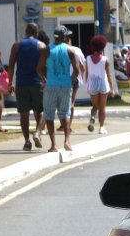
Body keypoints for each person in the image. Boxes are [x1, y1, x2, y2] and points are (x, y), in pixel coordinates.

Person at [37, 26, 81, 152]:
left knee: (49, 115)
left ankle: (54, 145)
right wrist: (71, 81)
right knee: (65, 114)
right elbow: (76, 70)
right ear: (64, 37)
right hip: (65, 86)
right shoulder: (71, 50)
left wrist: (45, 80)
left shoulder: (46, 50)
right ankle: (67, 141)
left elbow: (39, 69)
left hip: (51, 86)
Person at [7, 23, 46, 151]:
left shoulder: (16, 45)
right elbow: (44, 67)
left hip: (21, 83)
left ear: (25, 32)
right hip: (37, 83)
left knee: (23, 114)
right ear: (37, 33)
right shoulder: (41, 46)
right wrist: (45, 81)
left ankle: (27, 142)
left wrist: (10, 83)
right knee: (40, 111)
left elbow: (11, 65)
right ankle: (37, 132)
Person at [84, 35, 118, 135]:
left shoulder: (88, 59)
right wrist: (112, 89)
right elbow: (109, 75)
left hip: (92, 84)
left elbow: (87, 73)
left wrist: (88, 84)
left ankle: (93, 117)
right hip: (103, 84)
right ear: (103, 47)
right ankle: (101, 127)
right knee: (102, 107)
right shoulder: (105, 60)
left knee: (95, 106)